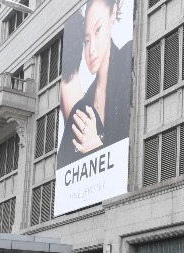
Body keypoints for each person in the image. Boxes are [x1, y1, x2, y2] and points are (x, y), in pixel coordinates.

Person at [57, 0, 133, 167]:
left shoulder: (130, 60)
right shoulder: (80, 110)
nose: (91, 50)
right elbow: (63, 166)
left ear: (112, 15)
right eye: (86, 40)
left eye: (98, 30)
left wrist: (97, 146)